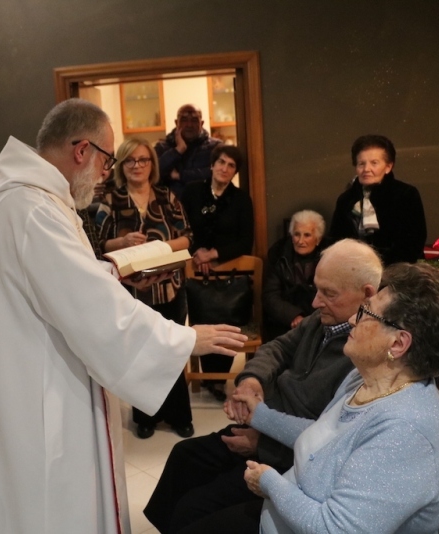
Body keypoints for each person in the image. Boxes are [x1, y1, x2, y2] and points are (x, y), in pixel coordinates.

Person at [0, 98, 247, 534]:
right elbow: (88, 307)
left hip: (31, 373)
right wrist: (187, 339)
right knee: (49, 506)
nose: (105, 172)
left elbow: (59, 281)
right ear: (82, 151)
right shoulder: (32, 209)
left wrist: (110, 269)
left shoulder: (29, 200)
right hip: (40, 392)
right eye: (107, 159)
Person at [144, 239, 382, 534]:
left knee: (193, 508)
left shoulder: (365, 356)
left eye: (328, 293)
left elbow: (328, 439)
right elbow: (278, 348)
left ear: (367, 295)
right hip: (264, 427)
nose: (314, 302)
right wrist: (252, 381)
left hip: (287, 458)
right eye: (316, 288)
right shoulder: (324, 320)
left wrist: (263, 443)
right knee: (184, 457)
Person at [237, 262, 439, 533]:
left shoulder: (405, 434)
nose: (352, 319)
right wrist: (259, 415)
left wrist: (269, 482)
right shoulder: (365, 377)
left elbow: (335, 529)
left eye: (366, 312)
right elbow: (327, 438)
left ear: (398, 344)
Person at [98, 137, 194, 439]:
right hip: (131, 294)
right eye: (130, 160)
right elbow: (98, 244)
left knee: (173, 350)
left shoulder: (167, 197)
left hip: (169, 288)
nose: (137, 166)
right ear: (121, 165)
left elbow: (187, 237)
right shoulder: (110, 199)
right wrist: (122, 242)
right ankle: (146, 417)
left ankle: (179, 416)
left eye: (143, 160)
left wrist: (160, 247)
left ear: (152, 164)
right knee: (142, 354)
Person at [181, 143, 254, 401]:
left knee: (225, 320)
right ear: (212, 165)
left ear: (235, 172)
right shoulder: (191, 193)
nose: (225, 168)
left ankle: (220, 379)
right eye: (221, 162)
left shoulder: (241, 199)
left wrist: (211, 255)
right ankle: (208, 379)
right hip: (195, 275)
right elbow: (182, 229)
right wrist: (196, 253)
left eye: (231, 165)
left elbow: (246, 242)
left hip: (229, 277)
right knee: (203, 318)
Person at [328, 134, 426, 265]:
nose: (366, 169)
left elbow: (412, 244)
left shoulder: (406, 194)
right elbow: (336, 242)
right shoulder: (346, 200)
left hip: (398, 272)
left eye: (374, 163)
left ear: (388, 167)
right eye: (361, 163)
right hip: (354, 270)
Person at [263, 210, 328, 340]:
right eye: (297, 234)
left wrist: (311, 321)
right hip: (283, 322)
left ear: (318, 239)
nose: (300, 241)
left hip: (319, 320)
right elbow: (270, 295)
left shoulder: (329, 256)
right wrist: (293, 316)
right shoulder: (278, 253)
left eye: (307, 235)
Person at [154, 104, 221, 200]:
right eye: (184, 120)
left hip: (205, 206)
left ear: (201, 124)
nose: (189, 125)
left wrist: (180, 175)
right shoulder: (162, 147)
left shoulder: (215, 147)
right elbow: (153, 174)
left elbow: (218, 173)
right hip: (170, 207)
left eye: (194, 120)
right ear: (177, 123)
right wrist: (178, 150)